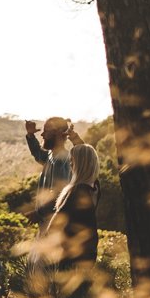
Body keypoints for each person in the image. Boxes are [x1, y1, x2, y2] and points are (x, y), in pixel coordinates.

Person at [43, 142, 101, 272]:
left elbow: (53, 226)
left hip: (71, 255)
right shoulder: (96, 187)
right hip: (88, 253)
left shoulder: (77, 191)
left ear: (79, 164)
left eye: (72, 161)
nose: (70, 164)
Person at [25, 115, 81, 218]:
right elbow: (38, 153)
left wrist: (38, 214)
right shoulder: (51, 155)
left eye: (46, 131)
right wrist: (30, 135)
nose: (42, 134)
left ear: (58, 133)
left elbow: (59, 193)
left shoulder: (61, 160)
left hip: (53, 222)